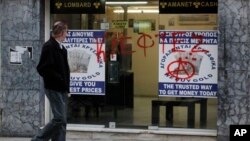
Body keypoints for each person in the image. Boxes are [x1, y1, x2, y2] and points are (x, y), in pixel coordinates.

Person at [32, 21, 70, 141]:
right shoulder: (49, 47)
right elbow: (42, 68)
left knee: (62, 120)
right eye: (66, 32)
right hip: (53, 87)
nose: (67, 35)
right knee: (59, 118)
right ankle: (38, 139)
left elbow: (65, 70)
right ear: (60, 32)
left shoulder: (62, 48)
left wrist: (66, 86)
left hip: (62, 88)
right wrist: (58, 79)